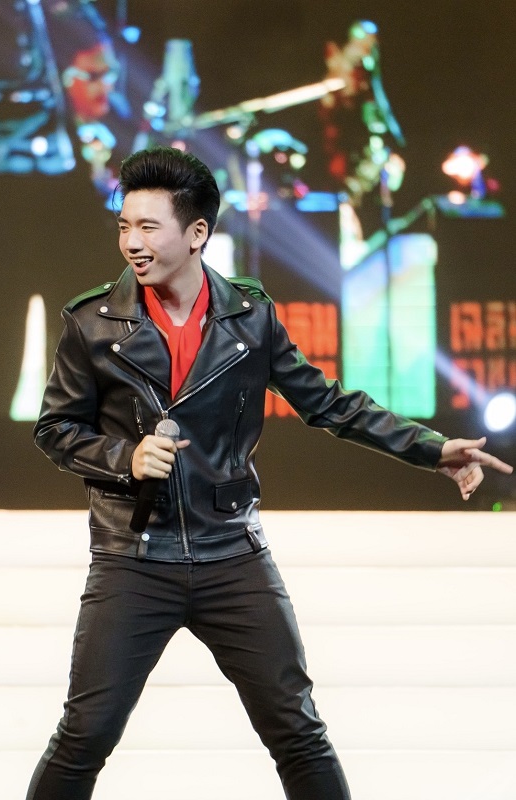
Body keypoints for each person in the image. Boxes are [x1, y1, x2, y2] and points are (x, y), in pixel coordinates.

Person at [26, 145, 513, 800]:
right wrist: (126, 458)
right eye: (124, 227)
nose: (132, 243)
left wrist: (431, 448)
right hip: (133, 556)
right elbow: (56, 430)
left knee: (297, 731)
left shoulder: (249, 316)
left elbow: (327, 403)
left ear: (196, 232)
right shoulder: (91, 323)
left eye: (148, 227)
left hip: (233, 555)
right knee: (84, 734)